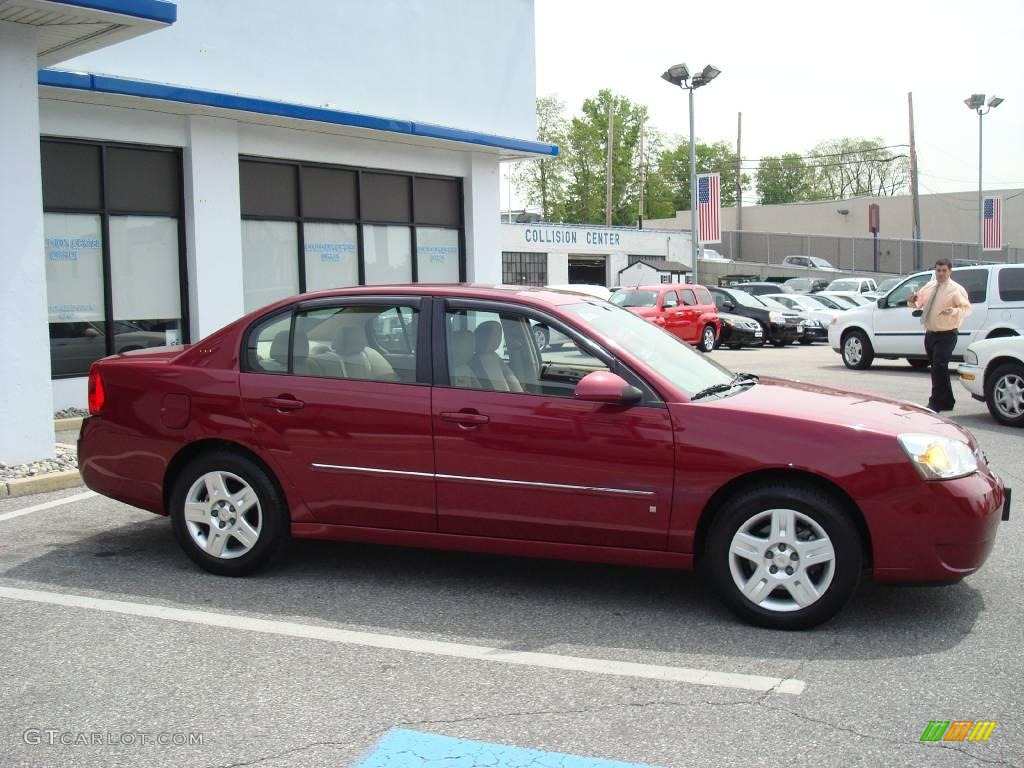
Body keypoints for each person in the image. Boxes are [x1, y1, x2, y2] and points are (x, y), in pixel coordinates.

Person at [907, 258, 972, 412]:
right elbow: (917, 304)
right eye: (938, 270)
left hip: (947, 334)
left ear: (950, 271)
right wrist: (912, 300)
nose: (941, 273)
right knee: (938, 368)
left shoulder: (956, 289)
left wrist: (954, 311)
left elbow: (967, 309)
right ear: (935, 271)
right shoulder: (929, 287)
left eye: (944, 270)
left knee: (939, 366)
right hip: (930, 334)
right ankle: (948, 400)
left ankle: (935, 401)